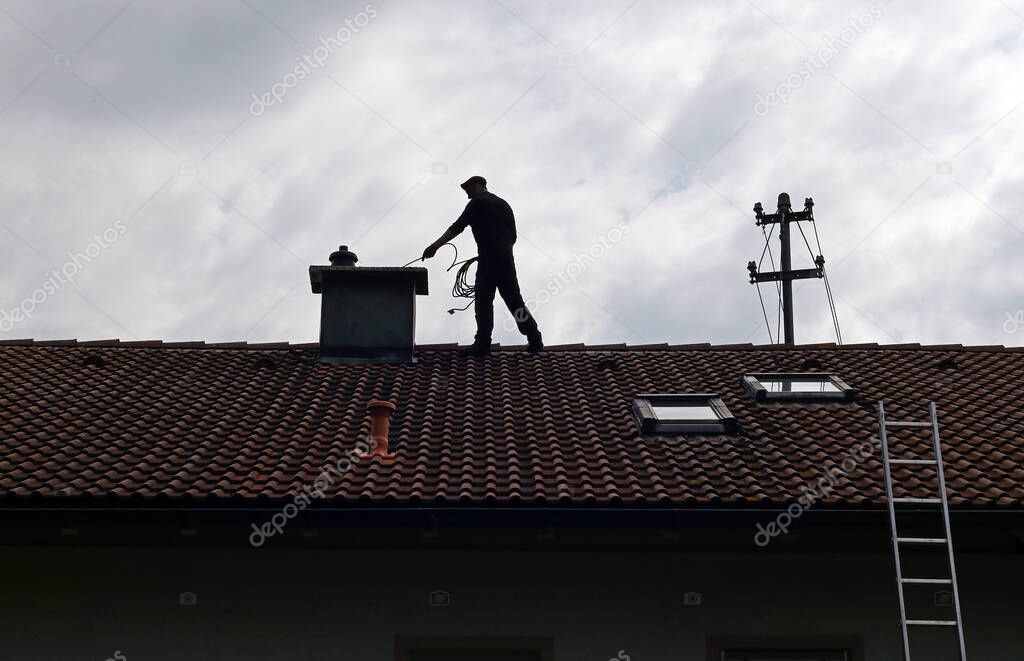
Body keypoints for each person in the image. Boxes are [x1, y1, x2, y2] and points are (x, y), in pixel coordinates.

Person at [423, 176, 543, 356]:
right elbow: (513, 237)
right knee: (514, 301)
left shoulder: (477, 203)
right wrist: (500, 249)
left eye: (469, 190)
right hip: (506, 260)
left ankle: (482, 343)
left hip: (489, 259)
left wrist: (435, 246)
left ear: (479, 185)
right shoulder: (504, 204)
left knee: (483, 300)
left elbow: (457, 227)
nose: (468, 195)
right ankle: (535, 339)